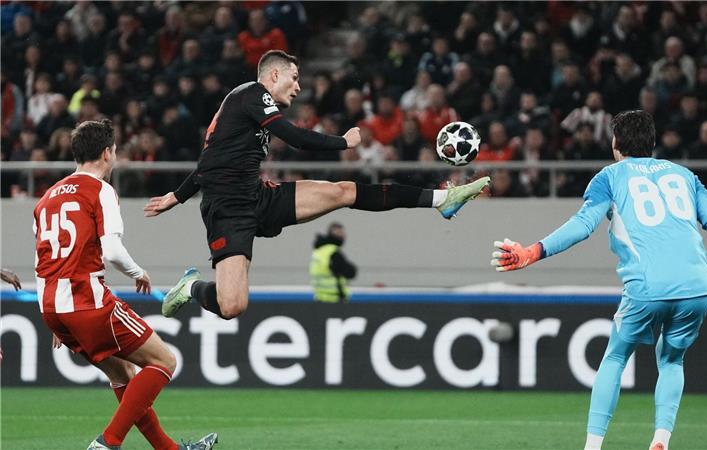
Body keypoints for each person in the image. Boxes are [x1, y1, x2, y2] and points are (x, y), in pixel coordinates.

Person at [143, 50, 489, 320]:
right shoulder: (251, 93)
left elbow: (209, 161)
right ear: (273, 74)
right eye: (293, 78)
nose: (298, 86)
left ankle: (442, 199)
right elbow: (292, 137)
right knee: (232, 305)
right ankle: (190, 287)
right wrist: (344, 142)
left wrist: (177, 195)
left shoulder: (244, 109)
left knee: (344, 191)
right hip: (228, 211)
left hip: (258, 196)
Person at [490, 110, 707, 450]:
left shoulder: (609, 177)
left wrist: (532, 252)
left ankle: (592, 446)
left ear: (616, 143)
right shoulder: (686, 176)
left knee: (616, 356)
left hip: (647, 287)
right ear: (653, 142)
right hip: (698, 288)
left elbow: (582, 225)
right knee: (672, 359)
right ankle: (661, 439)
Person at [32, 120, 217, 450]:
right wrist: (137, 272)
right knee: (164, 362)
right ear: (107, 152)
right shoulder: (100, 190)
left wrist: (55, 317)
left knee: (122, 377)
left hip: (53, 306)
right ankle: (108, 442)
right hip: (87, 300)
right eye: (115, 151)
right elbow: (113, 251)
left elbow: (41, 262)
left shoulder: (45, 198)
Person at [310, 222, 357, 303]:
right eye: (340, 233)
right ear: (332, 233)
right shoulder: (333, 252)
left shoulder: (318, 251)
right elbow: (349, 273)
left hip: (319, 298)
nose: (343, 236)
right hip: (334, 299)